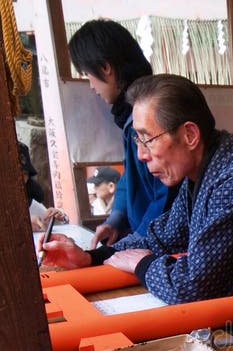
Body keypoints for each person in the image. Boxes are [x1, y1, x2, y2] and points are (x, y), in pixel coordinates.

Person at [40, 73, 233, 351]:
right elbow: (158, 236)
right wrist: (92, 257)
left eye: (148, 140)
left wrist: (141, 263)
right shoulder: (203, 176)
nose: (142, 155)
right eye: (137, 142)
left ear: (189, 135)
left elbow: (194, 287)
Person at [68, 20, 175, 245]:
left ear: (106, 68)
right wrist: (115, 219)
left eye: (88, 74)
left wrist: (135, 242)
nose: (90, 85)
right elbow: (129, 176)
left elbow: (166, 193)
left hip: (160, 243)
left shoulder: (150, 114)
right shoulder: (128, 117)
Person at [19, 141, 67, 230]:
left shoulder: (30, 204)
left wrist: (58, 218)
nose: (20, 178)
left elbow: (55, 228)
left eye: (24, 173)